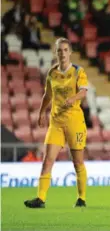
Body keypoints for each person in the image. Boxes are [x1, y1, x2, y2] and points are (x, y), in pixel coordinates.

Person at [24, 38, 89, 208]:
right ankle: (41, 198)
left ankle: (81, 198)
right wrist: (41, 113)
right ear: (56, 52)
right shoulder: (52, 73)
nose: (62, 53)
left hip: (74, 121)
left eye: (65, 50)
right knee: (47, 161)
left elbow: (83, 92)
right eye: (59, 50)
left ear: (70, 52)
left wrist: (73, 98)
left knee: (77, 162)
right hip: (56, 123)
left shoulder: (78, 71)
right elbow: (48, 95)